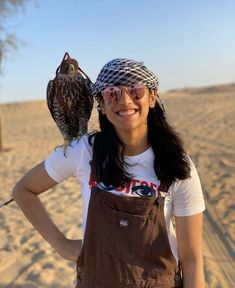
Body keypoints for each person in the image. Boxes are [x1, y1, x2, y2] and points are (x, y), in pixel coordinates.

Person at [13, 58, 205, 288]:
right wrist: (60, 244)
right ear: (102, 104)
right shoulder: (84, 152)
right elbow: (23, 191)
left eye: (135, 91)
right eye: (113, 93)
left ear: (152, 97)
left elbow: (192, 260)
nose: (125, 100)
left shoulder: (177, 165)